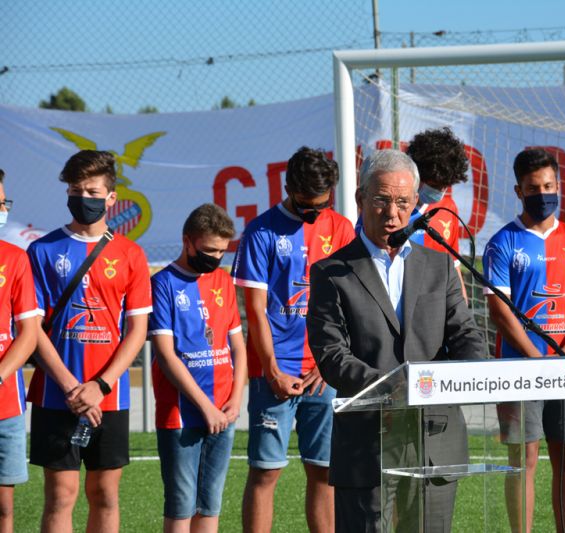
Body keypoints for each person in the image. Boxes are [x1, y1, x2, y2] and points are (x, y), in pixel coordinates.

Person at [307, 149, 486, 532]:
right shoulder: (331, 273)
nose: (393, 213)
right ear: (360, 200)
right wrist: (395, 387)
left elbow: (466, 335)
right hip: (367, 440)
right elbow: (332, 355)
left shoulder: (440, 266)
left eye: (404, 202)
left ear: (416, 204)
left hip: (435, 437)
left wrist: (470, 372)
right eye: (382, 200)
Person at [26, 150, 152, 533]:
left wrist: (100, 385)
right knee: (61, 495)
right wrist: (69, 386)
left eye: (93, 191)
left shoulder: (131, 254)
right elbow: (32, 330)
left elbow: (137, 331)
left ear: (111, 198)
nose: (84, 198)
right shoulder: (42, 250)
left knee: (105, 495)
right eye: (76, 190)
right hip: (55, 392)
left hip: (108, 395)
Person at [232, 146, 354, 533]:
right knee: (266, 473)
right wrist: (271, 369)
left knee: (324, 472)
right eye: (305, 204)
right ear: (287, 188)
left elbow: (350, 306)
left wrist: (328, 362)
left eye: (320, 205)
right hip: (276, 374)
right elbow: (255, 309)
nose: (312, 212)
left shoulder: (342, 229)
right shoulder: (261, 230)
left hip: (324, 374)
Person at [483, 148, 565, 533]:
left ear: (559, 186)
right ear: (519, 191)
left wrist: (563, 356)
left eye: (549, 185)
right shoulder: (502, 243)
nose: (543, 193)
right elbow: (499, 311)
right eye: (534, 187)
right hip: (519, 367)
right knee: (523, 460)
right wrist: (536, 359)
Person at [149, 203, 247, 533]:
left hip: (223, 411)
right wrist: (205, 407)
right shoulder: (163, 283)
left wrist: (235, 399)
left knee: (210, 506)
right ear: (187, 241)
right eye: (208, 250)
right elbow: (165, 355)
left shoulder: (222, 280)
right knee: (181, 506)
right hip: (181, 414)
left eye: (221, 251)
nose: (215, 257)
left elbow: (237, 347)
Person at [0, 170, 39, 533]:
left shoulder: (15, 258)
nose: (2, 211)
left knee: (3, 508)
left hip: (5, 406)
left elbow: (28, 334)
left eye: (3, 203)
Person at [406, 127, 470, 300]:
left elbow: (453, 264)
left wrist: (462, 306)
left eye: (445, 186)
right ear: (417, 173)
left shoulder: (448, 208)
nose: (440, 191)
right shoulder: (391, 210)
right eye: (434, 185)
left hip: (434, 305)